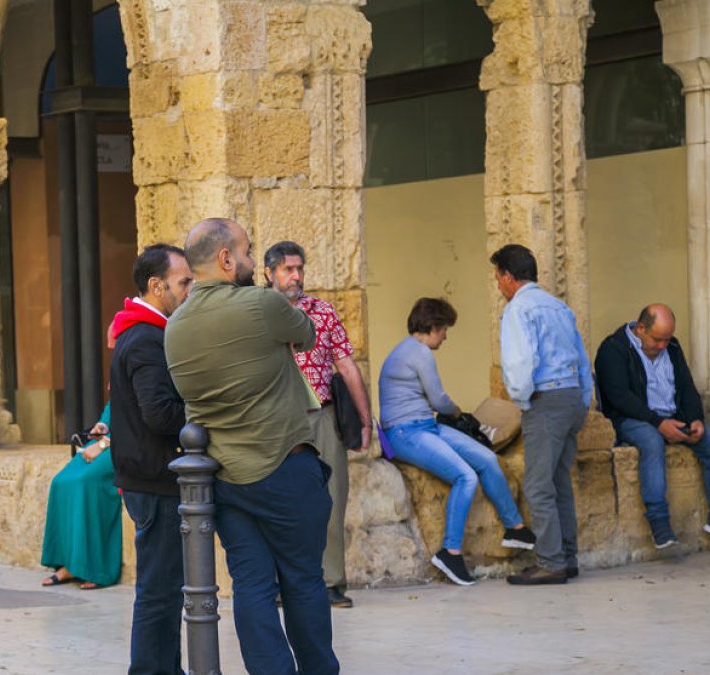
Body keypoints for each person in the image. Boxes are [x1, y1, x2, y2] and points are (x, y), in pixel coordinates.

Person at [166, 219, 338, 674]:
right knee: (303, 579)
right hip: (284, 466)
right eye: (246, 251)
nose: (250, 259)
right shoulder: (262, 303)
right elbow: (306, 333)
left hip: (226, 478)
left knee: (251, 585)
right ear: (226, 258)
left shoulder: (175, 326)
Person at [378, 297, 536, 585]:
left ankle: (515, 528)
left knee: (487, 459)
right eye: (444, 330)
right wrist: (458, 413)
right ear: (433, 326)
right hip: (405, 433)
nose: (446, 336)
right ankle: (450, 552)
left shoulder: (409, 350)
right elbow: (439, 399)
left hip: (426, 425)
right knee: (466, 476)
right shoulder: (419, 352)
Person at [594, 304, 710, 547]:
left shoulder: (672, 346)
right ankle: (659, 521)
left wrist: (695, 419)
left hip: (672, 417)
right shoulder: (613, 348)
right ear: (641, 329)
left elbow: (686, 387)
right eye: (657, 339)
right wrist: (658, 423)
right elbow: (618, 396)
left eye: (667, 339)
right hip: (634, 419)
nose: (662, 345)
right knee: (651, 441)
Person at [263, 241, 372, 608]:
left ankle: (330, 583)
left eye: (299, 268)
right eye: (287, 269)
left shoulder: (322, 312)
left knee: (331, 498)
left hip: (322, 416)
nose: (296, 276)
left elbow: (346, 365)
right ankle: (281, 584)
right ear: (269, 273)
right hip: (276, 420)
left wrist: (365, 420)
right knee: (280, 502)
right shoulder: (257, 312)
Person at [110, 244, 192, 675]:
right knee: (159, 593)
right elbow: (159, 413)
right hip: (155, 480)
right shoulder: (145, 337)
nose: (190, 289)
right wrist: (209, 412)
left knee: (164, 591)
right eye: (184, 282)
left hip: (151, 477)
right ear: (157, 286)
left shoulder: (146, 332)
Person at [491, 244, 591, 585]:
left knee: (537, 486)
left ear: (508, 276)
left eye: (498, 278)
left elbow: (520, 362)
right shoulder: (559, 307)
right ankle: (567, 556)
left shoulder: (518, 309)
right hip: (571, 396)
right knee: (559, 482)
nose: (498, 285)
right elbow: (582, 359)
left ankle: (550, 561)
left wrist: (522, 399)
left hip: (545, 398)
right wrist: (583, 401)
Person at [40, 403, 119, 589]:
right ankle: (68, 563)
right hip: (106, 441)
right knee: (60, 482)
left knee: (85, 481)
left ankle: (95, 568)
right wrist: (103, 426)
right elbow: (114, 405)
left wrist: (103, 444)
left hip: (127, 445)